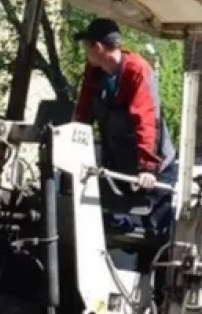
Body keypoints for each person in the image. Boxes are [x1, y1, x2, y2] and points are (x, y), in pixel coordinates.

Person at [72, 17, 179, 244]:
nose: (85, 53)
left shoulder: (137, 71)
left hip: (153, 166)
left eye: (86, 46)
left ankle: (158, 272)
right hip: (119, 164)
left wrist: (147, 168)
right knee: (109, 223)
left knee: (157, 234)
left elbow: (147, 121)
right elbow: (83, 113)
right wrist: (71, 147)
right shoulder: (95, 71)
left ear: (98, 47)